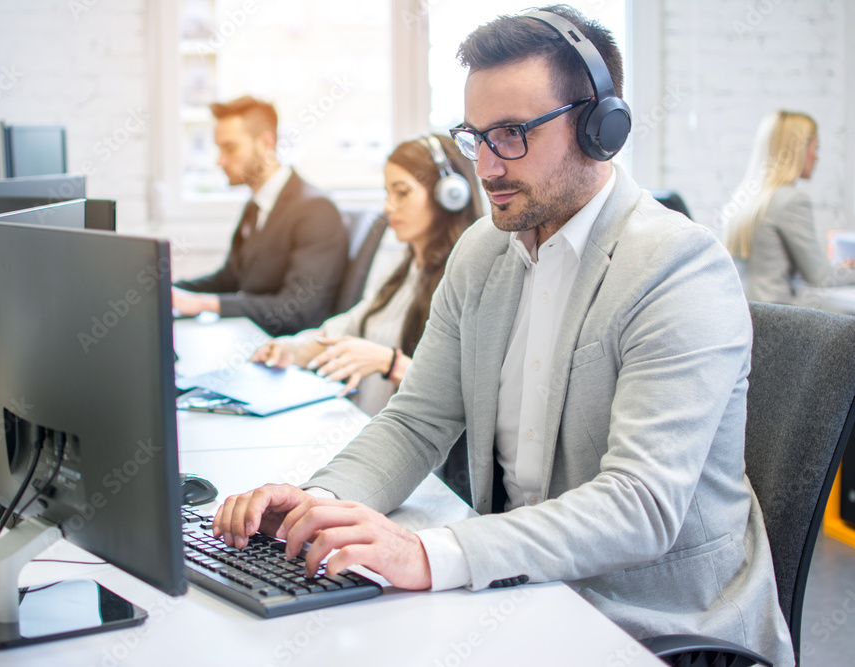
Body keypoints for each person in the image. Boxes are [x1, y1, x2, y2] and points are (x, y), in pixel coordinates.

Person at [212, 7, 793, 665]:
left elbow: (640, 506)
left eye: (512, 134)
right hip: (523, 588)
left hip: (654, 623)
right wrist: (321, 503)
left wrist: (428, 552)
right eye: (476, 136)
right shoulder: (482, 252)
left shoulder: (677, 268)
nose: (486, 168)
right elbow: (416, 421)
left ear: (601, 128)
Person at [251, 135, 483, 416]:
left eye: (402, 193)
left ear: (449, 196)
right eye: (387, 194)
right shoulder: (403, 273)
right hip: (365, 426)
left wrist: (390, 363)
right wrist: (292, 349)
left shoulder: (467, 283)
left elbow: (462, 400)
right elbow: (347, 329)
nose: (388, 207)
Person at [172, 96, 348, 335]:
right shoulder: (255, 206)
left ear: (266, 143)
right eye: (219, 149)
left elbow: (297, 310)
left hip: (284, 347)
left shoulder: (315, 210)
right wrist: (169, 291)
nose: (220, 161)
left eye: (230, 148)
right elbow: (230, 278)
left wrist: (203, 304)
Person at [723, 110, 855, 303]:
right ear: (798, 150)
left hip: (747, 312)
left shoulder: (745, 198)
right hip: (777, 315)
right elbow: (820, 277)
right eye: (815, 148)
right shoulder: (791, 200)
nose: (816, 157)